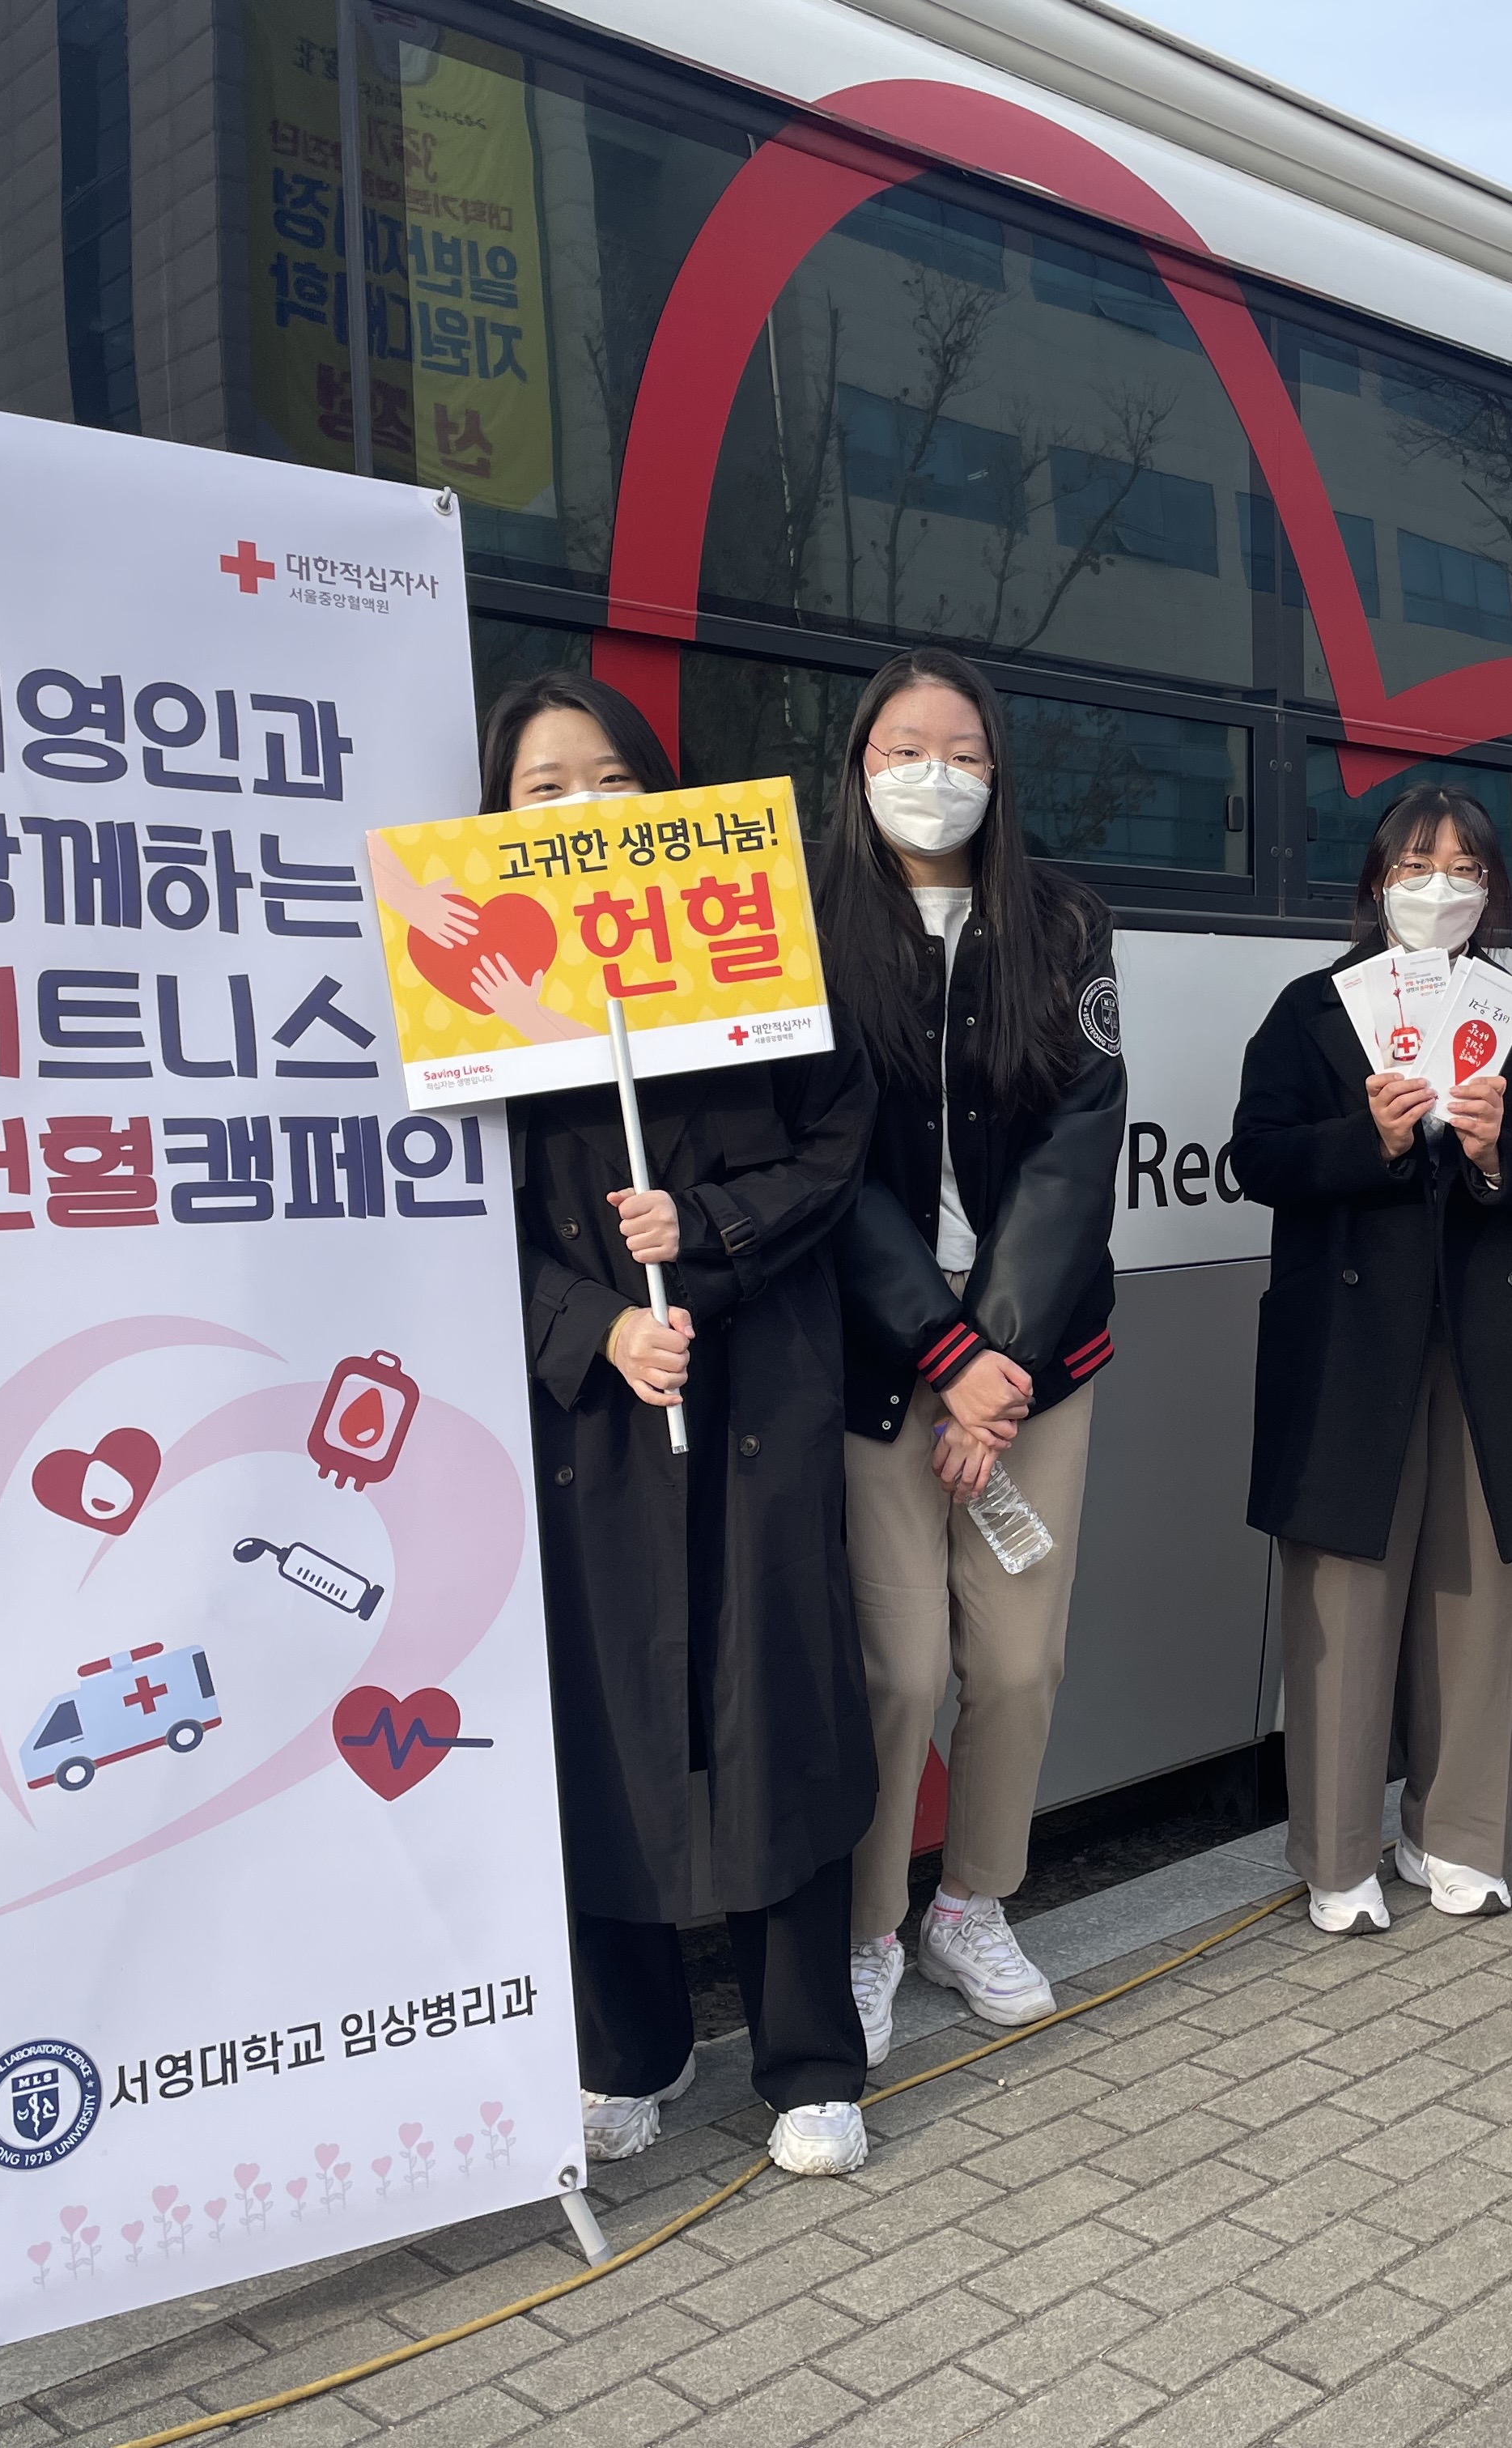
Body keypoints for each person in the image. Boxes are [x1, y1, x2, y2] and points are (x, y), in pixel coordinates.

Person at [481, 671, 884, 2178]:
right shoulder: (477, 984)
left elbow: (839, 1143)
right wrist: (596, 1324)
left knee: (779, 1710)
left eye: (611, 780)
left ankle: (810, 2060)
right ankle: (630, 2049)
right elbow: (457, 1217)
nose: (583, 810)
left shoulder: (755, 936)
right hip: (590, 1417)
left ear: (663, 795)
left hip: (760, 1384)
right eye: (545, 788)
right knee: (604, 1718)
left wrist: (706, 1223)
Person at [1229, 784, 1512, 1936]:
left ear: (1492, 889)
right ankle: (1336, 1852)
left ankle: (1460, 1834)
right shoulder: (1310, 1010)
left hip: (1487, 1338)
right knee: (1345, 1591)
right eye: (1416, 866)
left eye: (1464, 869)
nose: (1440, 888)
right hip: (1350, 1344)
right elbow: (1258, 1156)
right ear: (1377, 881)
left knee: (1477, 1589)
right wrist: (1374, 1138)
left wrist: (1497, 1157)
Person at [822, 648, 1125, 2063]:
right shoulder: (806, 920)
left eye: (961, 751)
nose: (931, 775)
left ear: (998, 771)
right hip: (873, 1349)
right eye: (903, 747)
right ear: (859, 762)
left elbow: (1078, 1143)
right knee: (894, 1668)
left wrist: (994, 1364)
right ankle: (871, 1925)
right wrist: (943, 1348)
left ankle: (973, 1902)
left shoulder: (1062, 923)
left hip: (1032, 1354)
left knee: (1014, 1660)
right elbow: (819, 1158)